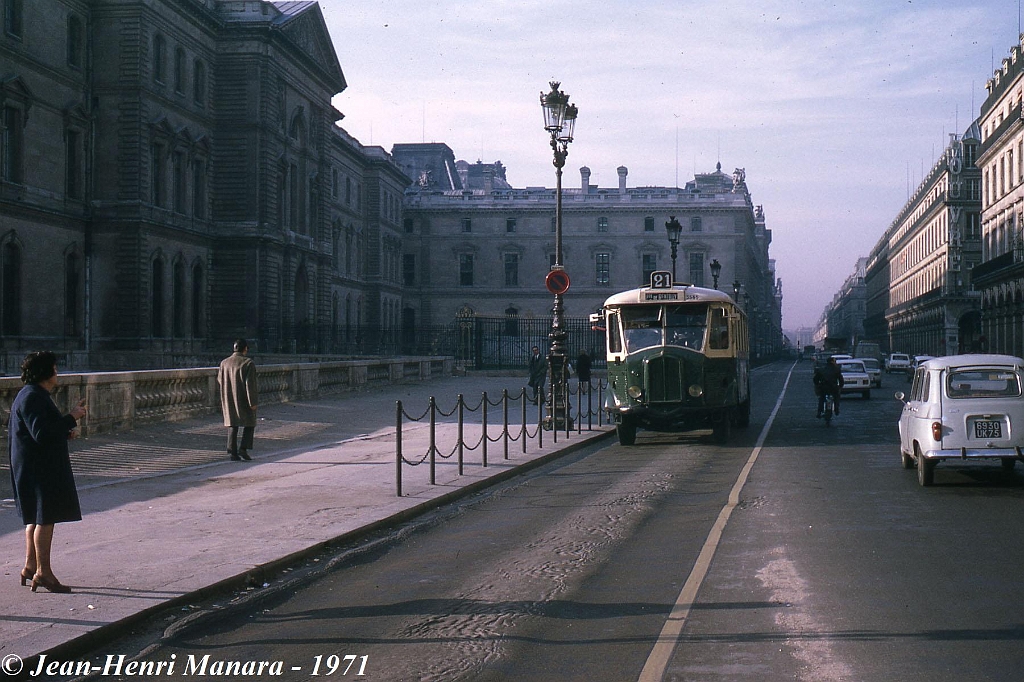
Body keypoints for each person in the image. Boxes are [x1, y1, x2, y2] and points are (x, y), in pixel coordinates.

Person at [9, 351, 87, 593]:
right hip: (39, 468)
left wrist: (64, 430)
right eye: (54, 369)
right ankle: (44, 573)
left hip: (31, 464)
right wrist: (72, 417)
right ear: (46, 373)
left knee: (35, 516)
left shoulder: (30, 394)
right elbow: (41, 434)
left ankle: (30, 566)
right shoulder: (33, 397)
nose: (57, 373)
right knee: (45, 517)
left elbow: (41, 430)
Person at [218, 339, 258, 461]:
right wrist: (253, 402)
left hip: (229, 397)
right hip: (243, 398)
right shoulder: (248, 363)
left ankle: (232, 452)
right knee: (250, 423)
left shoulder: (224, 363)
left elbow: (220, 380)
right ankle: (243, 448)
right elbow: (250, 385)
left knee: (232, 424)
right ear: (245, 349)